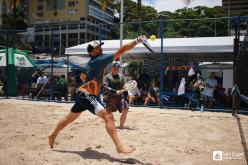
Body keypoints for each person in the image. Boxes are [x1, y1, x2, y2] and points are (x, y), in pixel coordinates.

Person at [48, 36, 147, 154]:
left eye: (100, 46)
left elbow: (82, 76)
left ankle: (52, 135)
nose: (100, 49)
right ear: (91, 52)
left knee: (69, 118)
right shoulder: (99, 60)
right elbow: (121, 50)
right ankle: (119, 147)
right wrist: (137, 40)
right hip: (86, 95)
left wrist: (90, 82)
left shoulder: (91, 63)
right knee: (108, 116)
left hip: (83, 94)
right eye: (97, 48)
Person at [103, 61, 128, 129]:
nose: (116, 69)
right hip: (111, 97)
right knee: (108, 112)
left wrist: (123, 90)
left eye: (117, 68)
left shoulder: (122, 76)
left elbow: (124, 86)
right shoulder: (107, 77)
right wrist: (115, 91)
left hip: (121, 97)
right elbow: (106, 87)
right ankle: (111, 124)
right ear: (111, 68)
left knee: (125, 110)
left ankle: (121, 126)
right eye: (115, 68)